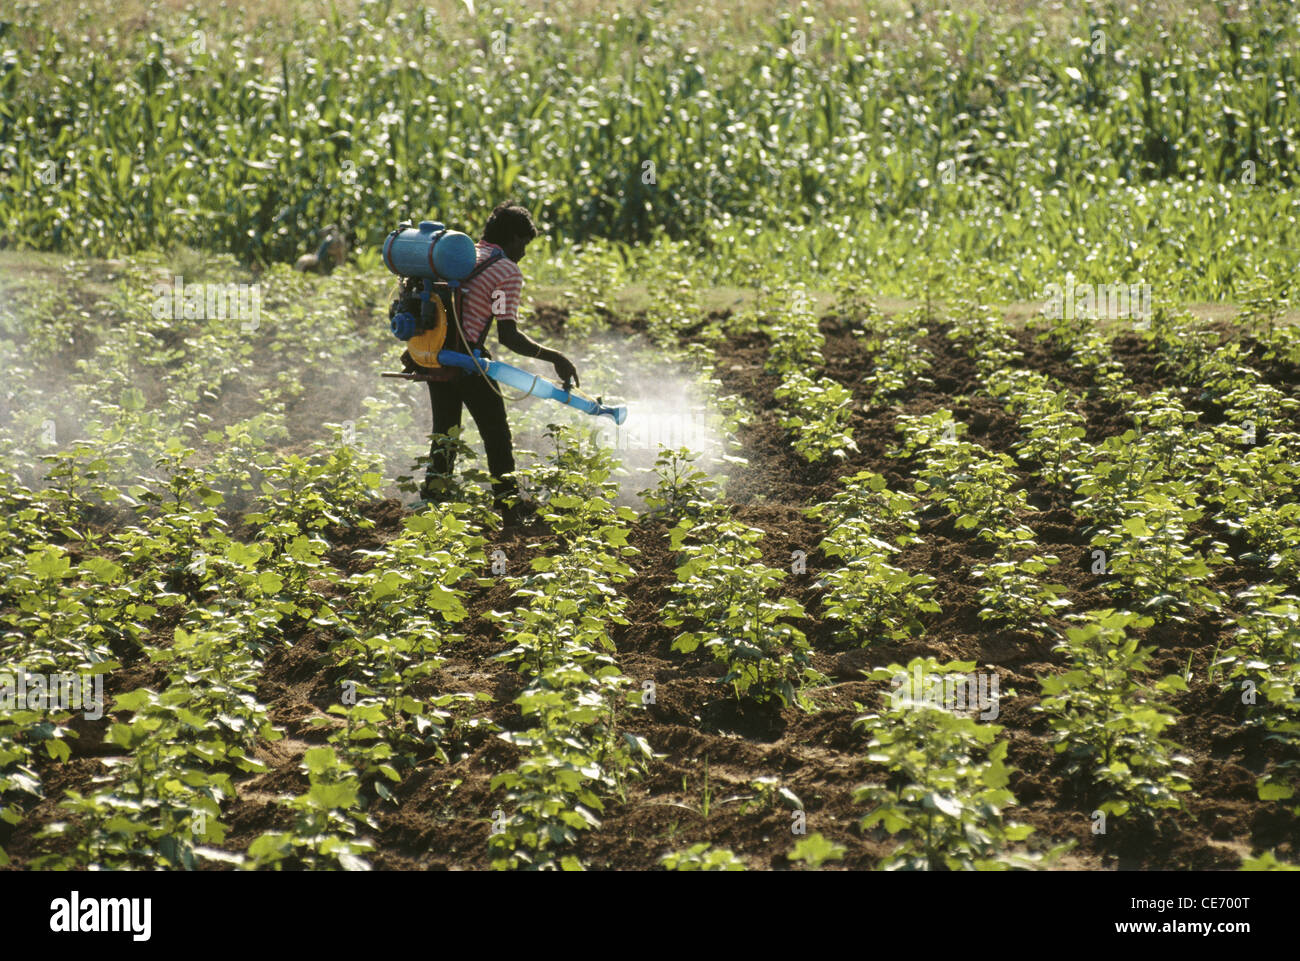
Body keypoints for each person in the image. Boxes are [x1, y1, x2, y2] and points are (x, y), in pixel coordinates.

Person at [419, 202, 578, 522]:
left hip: (435, 355)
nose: (523, 253)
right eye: (524, 244)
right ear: (513, 238)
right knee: (496, 432)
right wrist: (555, 358)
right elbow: (509, 336)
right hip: (467, 362)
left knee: (446, 434)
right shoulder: (507, 270)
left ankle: (434, 504)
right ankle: (507, 505)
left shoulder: (464, 256)